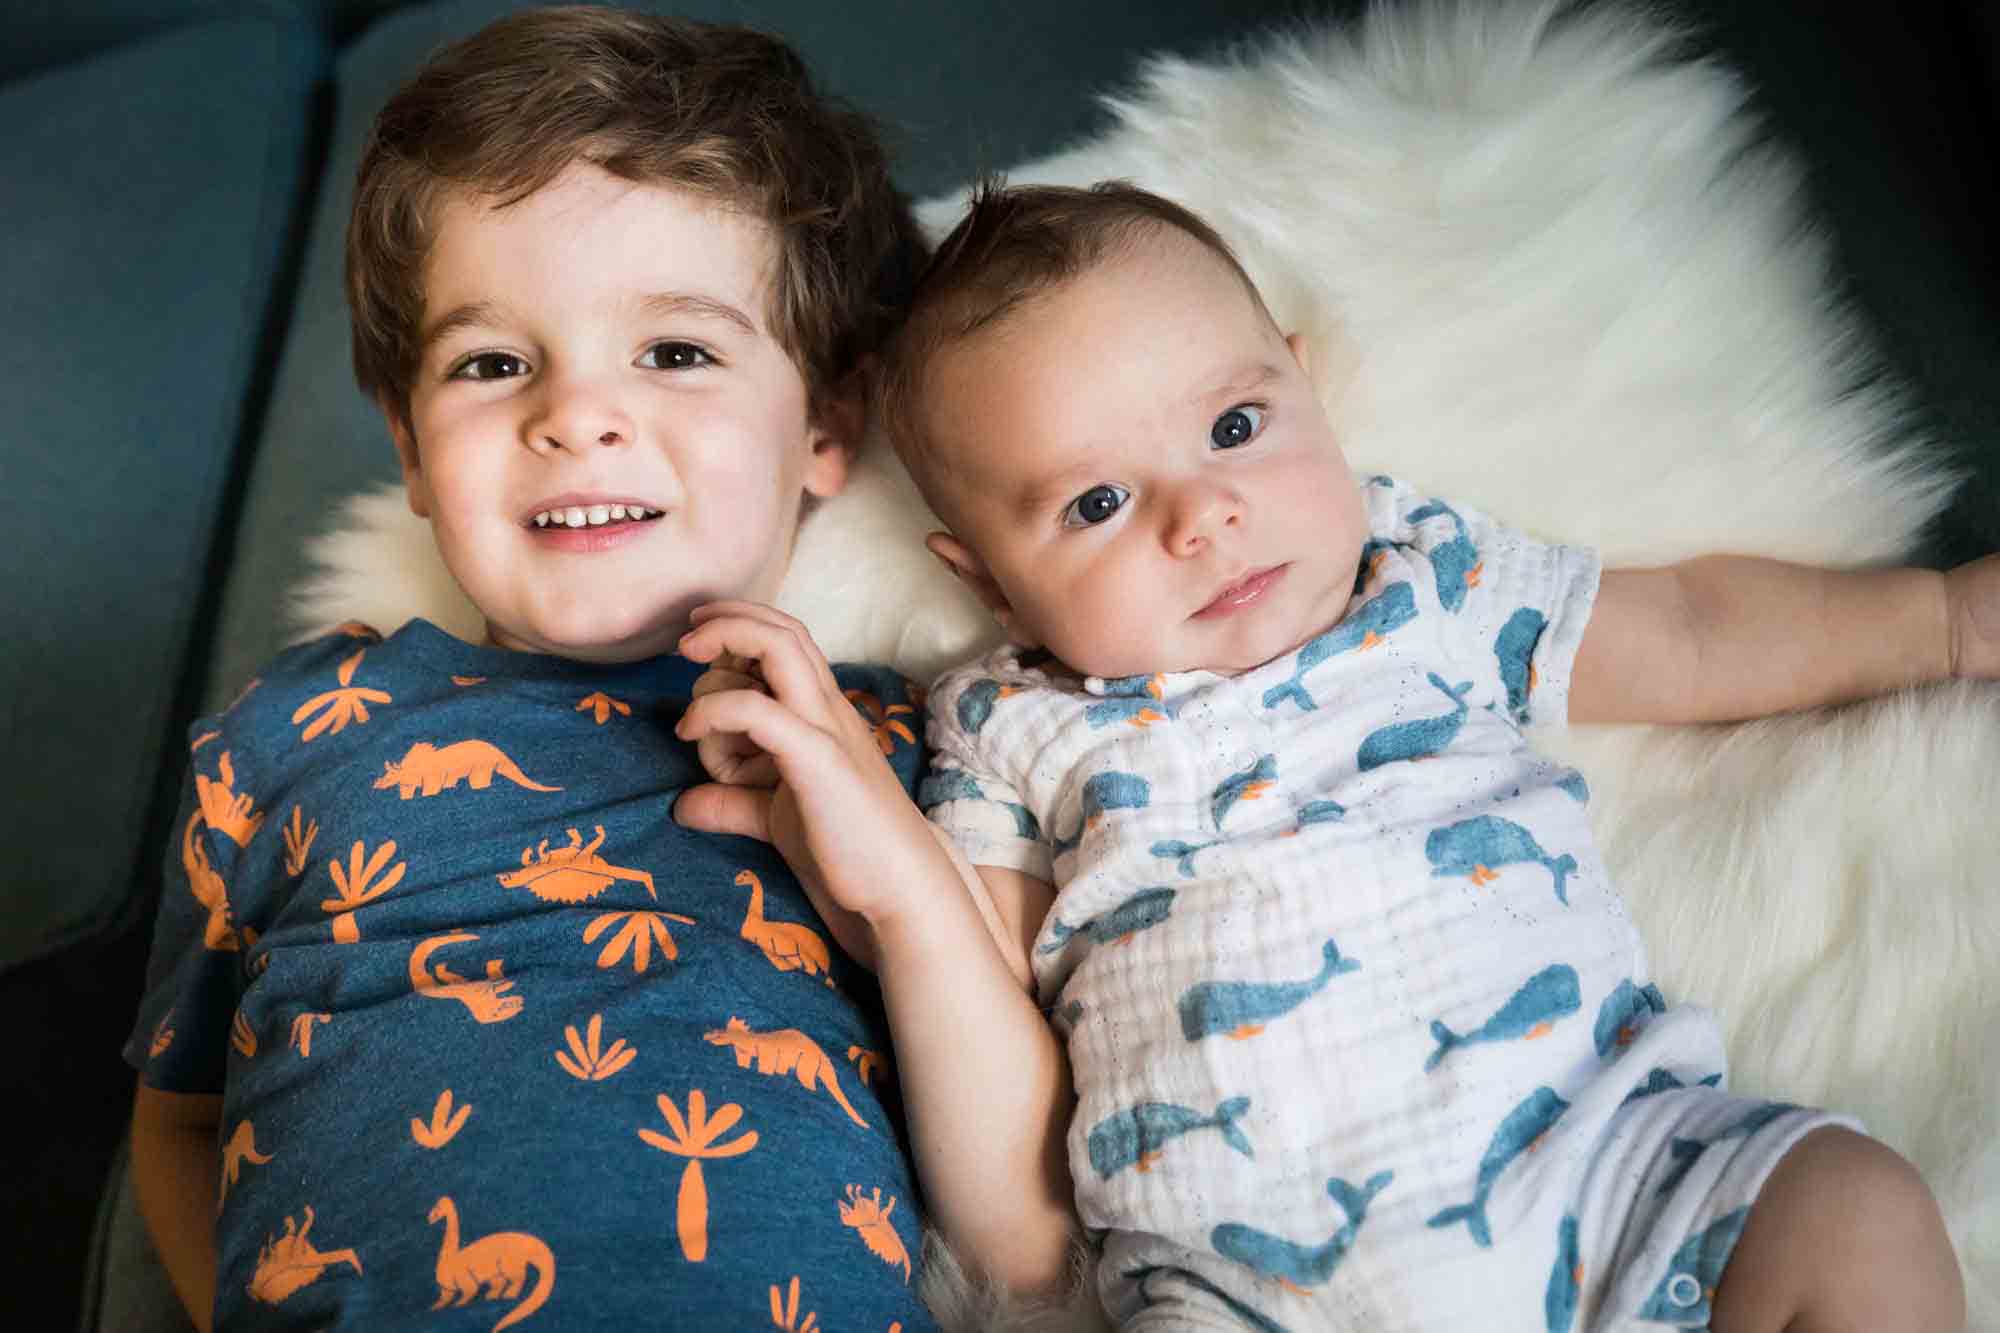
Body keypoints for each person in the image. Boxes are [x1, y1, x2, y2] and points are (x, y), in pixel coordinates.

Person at [675, 179, 1994, 1330]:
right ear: (996, 586)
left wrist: (1938, 623)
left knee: (1850, 1206)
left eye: (1236, 428)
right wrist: (878, 871)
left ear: (1307, 385)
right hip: (1249, 1286)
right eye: (1096, 502)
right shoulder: (1016, 725)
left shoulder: (1425, 579)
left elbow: (1690, 630)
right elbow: (990, 1057)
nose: (1205, 515)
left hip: (1614, 1176)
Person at [121, 9, 949, 1329]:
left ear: (828, 426)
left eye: (676, 351)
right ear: (409, 447)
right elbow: (176, 1123)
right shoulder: (288, 735)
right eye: (492, 363)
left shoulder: (895, 741)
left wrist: (904, 888)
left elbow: (1021, 1169)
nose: (574, 413)